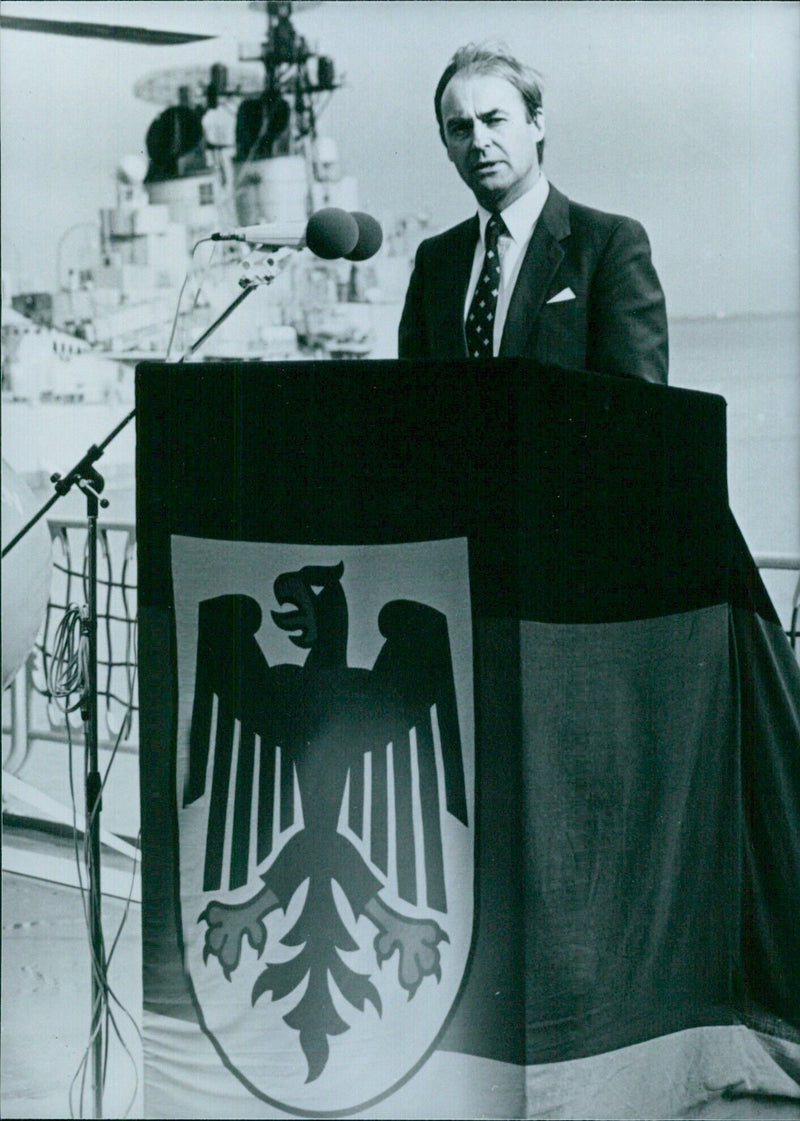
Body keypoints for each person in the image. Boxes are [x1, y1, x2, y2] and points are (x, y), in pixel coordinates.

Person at [399, 44, 668, 384]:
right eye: (460, 129)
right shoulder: (435, 261)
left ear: (537, 123)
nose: (479, 142)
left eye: (494, 120)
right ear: (447, 147)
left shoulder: (608, 245)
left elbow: (642, 408)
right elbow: (411, 403)